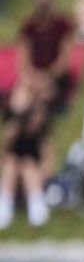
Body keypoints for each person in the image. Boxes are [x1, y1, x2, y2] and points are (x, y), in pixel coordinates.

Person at [0, 91, 53, 230]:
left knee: (28, 166)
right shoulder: (16, 131)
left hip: (32, 178)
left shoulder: (41, 135)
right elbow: (4, 153)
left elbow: (47, 160)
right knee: (11, 164)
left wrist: (43, 174)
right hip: (12, 177)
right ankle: (4, 207)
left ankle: (37, 207)